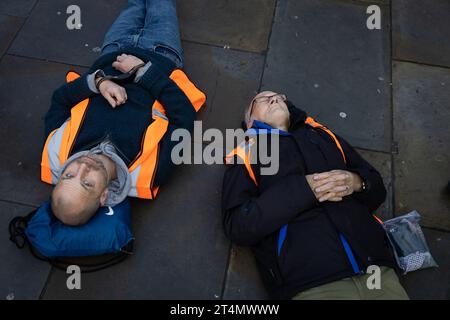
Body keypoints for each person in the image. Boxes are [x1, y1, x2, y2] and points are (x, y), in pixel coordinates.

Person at [222, 91, 409, 300]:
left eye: (278, 96)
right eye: (264, 99)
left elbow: (377, 190)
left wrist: (357, 182)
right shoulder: (247, 152)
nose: (274, 99)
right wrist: (304, 189)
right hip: (312, 283)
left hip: (379, 273)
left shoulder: (322, 135)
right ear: (250, 121)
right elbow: (238, 225)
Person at [41, 0, 205, 226]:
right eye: (87, 183)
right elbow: (184, 116)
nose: (83, 167)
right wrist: (142, 72)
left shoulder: (57, 148)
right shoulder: (154, 170)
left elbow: (60, 100)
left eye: (68, 175)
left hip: (113, 50)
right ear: (104, 196)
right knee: (161, 5)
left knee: (134, 4)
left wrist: (98, 83)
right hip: (161, 54)